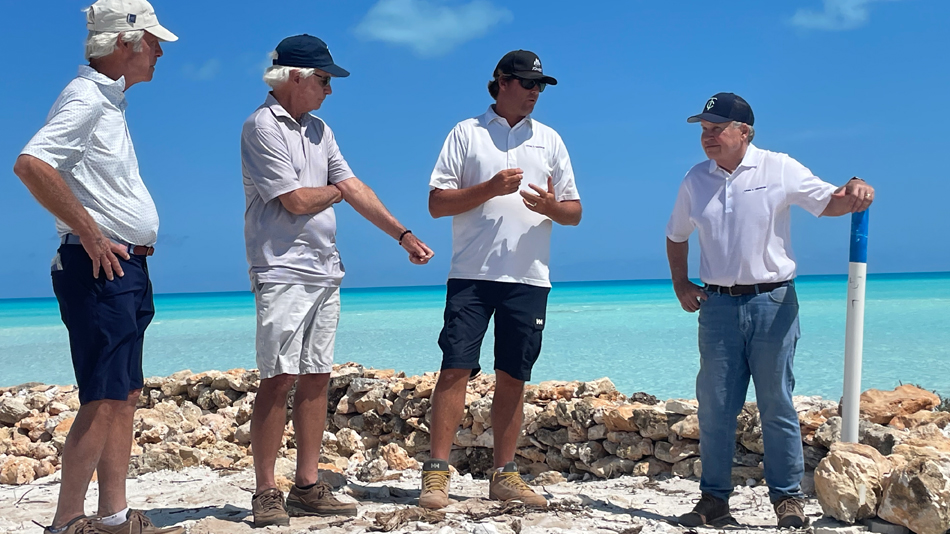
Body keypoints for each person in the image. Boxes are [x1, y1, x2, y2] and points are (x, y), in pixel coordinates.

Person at [241, 34, 434, 527]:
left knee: (317, 377)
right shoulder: (261, 127)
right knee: (277, 378)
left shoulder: (320, 131)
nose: (330, 89)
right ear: (297, 77)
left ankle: (307, 485)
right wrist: (336, 190)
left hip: (325, 269)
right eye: (324, 80)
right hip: (281, 270)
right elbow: (298, 201)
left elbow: (355, 188)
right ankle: (266, 491)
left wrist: (403, 235)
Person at [665, 93, 875, 528]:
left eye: (717, 129)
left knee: (775, 401)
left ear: (745, 132)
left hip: (772, 300)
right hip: (717, 306)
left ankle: (787, 499)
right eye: (704, 130)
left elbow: (830, 201)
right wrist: (681, 284)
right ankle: (714, 501)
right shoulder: (694, 179)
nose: (708, 137)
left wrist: (854, 184)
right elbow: (676, 234)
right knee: (715, 405)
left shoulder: (779, 167)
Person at [12, 2, 181, 533]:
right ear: (125, 43)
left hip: (125, 268)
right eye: (152, 42)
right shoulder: (86, 98)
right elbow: (31, 164)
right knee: (104, 397)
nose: (159, 51)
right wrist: (89, 234)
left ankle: (114, 517)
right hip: (99, 268)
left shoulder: (110, 101)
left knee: (124, 395)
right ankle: (66, 522)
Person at [419, 50, 582, 510]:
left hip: (529, 279)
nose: (535, 93)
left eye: (540, 86)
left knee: (514, 376)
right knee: (455, 368)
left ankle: (504, 475)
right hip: (471, 275)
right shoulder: (465, 133)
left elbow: (574, 212)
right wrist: (489, 189)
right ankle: (436, 474)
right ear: (501, 82)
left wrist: (550, 208)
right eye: (528, 84)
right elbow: (437, 203)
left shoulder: (549, 139)